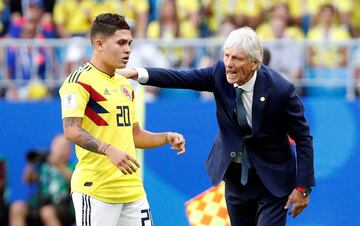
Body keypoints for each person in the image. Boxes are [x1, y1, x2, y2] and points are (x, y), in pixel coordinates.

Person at [122, 26, 315, 226]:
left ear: (254, 63)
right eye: (226, 56)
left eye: (237, 59)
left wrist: (303, 188)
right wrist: (136, 73)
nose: (229, 64)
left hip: (272, 181)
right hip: (236, 179)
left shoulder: (281, 90)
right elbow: (181, 78)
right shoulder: (219, 73)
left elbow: (303, 138)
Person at [59, 13, 185, 226]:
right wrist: (109, 149)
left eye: (130, 43)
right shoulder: (79, 81)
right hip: (96, 191)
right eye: (121, 43)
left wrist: (166, 137)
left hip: (133, 191)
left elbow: (134, 135)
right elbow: (71, 130)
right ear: (99, 44)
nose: (128, 49)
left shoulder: (125, 84)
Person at [9, 134, 75, 226]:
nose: (59, 149)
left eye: (63, 146)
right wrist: (31, 163)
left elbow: (73, 181)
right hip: (42, 202)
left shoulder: (72, 167)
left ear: (69, 151)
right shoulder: (44, 167)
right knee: (17, 208)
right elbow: (27, 180)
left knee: (47, 212)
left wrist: (59, 165)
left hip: (64, 205)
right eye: (57, 145)